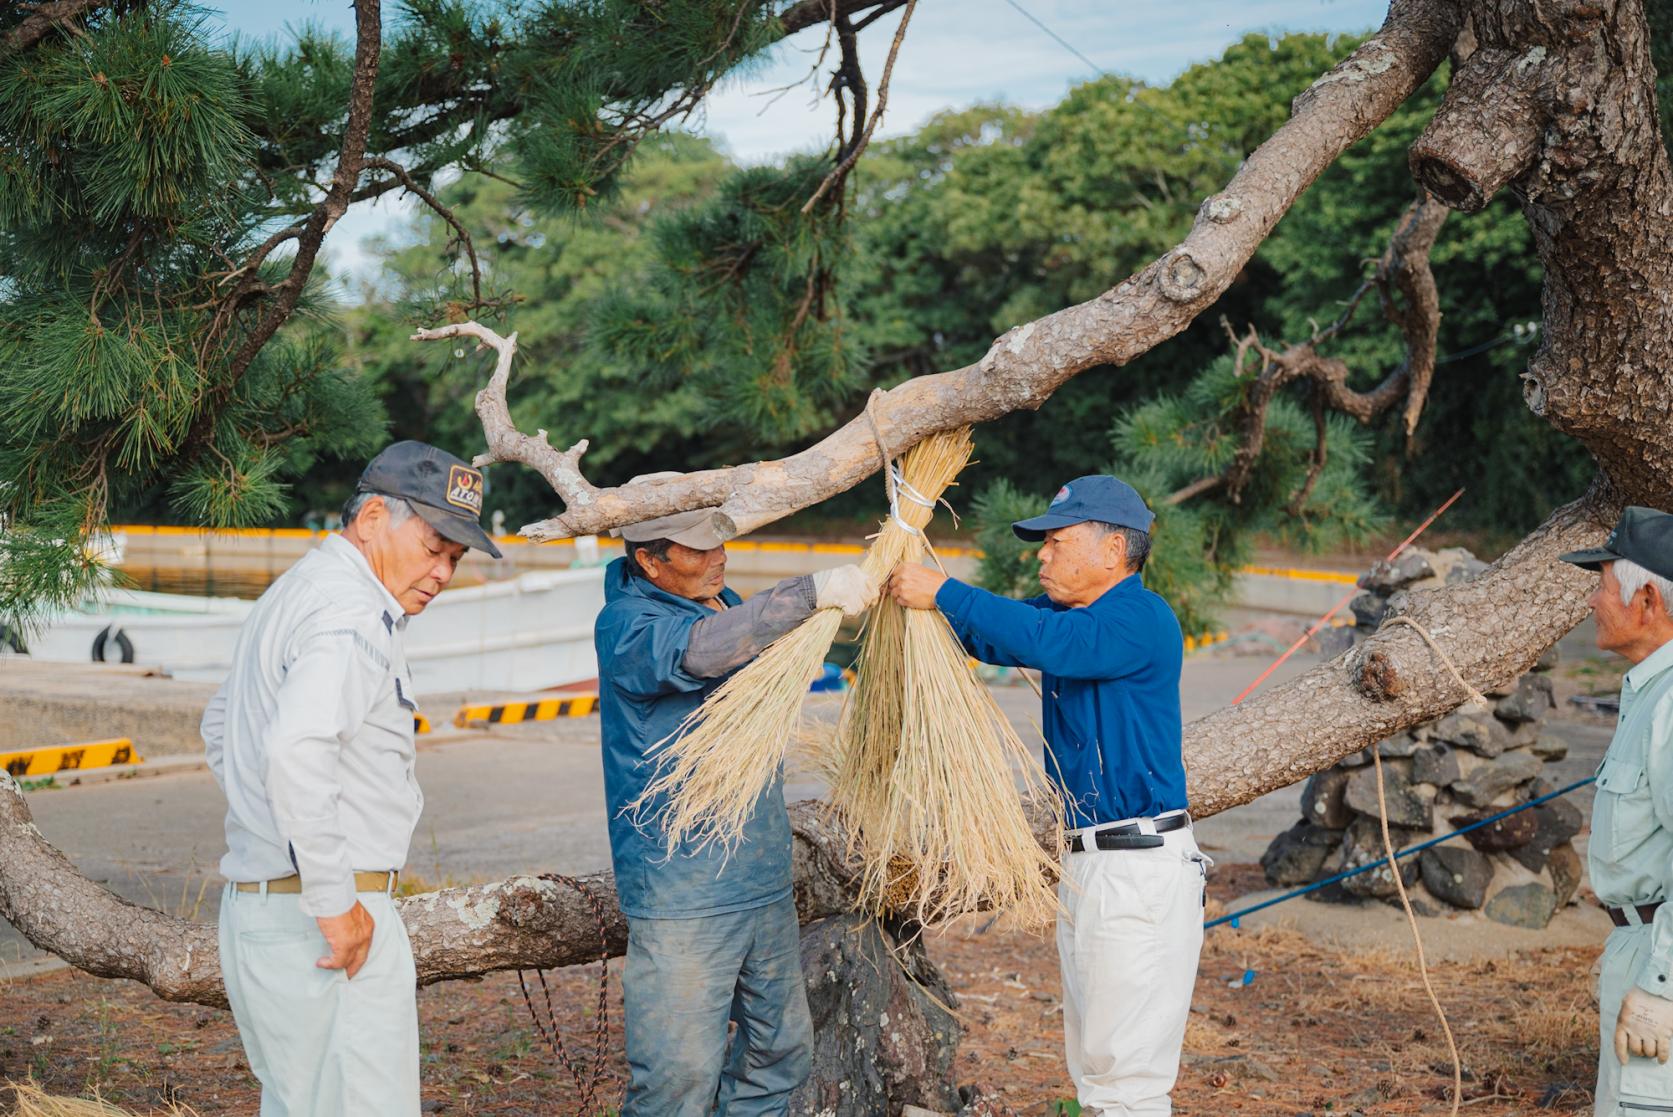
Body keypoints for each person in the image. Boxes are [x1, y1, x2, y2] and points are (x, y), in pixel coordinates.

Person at [202, 441, 502, 1116]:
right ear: (371, 518)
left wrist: (268, 826)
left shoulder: (302, 590)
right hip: (326, 918)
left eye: (455, 556)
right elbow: (296, 748)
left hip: (270, 908)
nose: (444, 571)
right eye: (433, 545)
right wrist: (335, 903)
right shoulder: (351, 613)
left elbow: (222, 725)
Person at [888, 474, 1204, 1117]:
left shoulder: (1138, 618)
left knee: (1126, 1077)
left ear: (1113, 551)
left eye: (1056, 542)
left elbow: (1052, 644)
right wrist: (912, 591)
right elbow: (996, 633)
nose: (1042, 554)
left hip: (1137, 869)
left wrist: (945, 591)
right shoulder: (1071, 615)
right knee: (1096, 1063)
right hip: (1093, 865)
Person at [594, 484, 877, 1117]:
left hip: (761, 884)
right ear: (649, 561)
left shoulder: (718, 602)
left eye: (720, 539)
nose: (718, 555)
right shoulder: (628, 625)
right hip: (684, 899)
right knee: (678, 1080)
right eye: (698, 549)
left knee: (779, 1057)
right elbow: (699, 653)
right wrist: (808, 593)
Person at [1559, 506, 1673, 1115]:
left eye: (1603, 585)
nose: (1594, 602)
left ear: (1647, 599)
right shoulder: (1650, 691)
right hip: (1639, 944)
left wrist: (1661, 989)